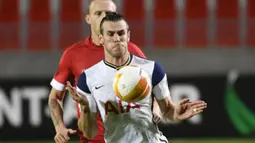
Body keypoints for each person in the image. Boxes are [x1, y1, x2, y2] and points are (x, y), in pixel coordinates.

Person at [66, 13, 207, 143]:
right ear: (101, 39)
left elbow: (168, 111)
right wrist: (85, 107)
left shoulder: (151, 69)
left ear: (128, 36)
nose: (117, 39)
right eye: (110, 34)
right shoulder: (88, 78)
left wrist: (177, 113)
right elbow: (89, 133)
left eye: (121, 33)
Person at [48, 0, 150, 143]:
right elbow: (54, 97)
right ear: (88, 19)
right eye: (98, 13)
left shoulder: (131, 50)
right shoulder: (73, 54)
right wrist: (59, 127)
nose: (103, 17)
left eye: (108, 13)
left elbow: (152, 86)